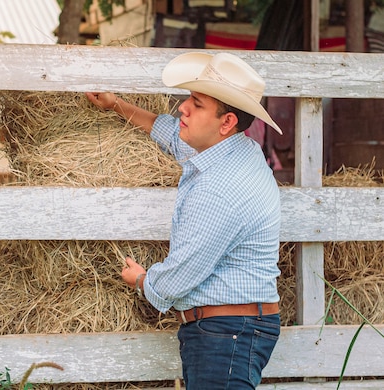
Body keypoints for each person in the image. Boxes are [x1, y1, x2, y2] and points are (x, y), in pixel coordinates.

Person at [86, 52, 283, 389]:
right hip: (234, 328)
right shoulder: (237, 150)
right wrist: (116, 105)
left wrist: (143, 280)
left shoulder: (220, 187)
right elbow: (172, 135)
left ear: (226, 123)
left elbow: (182, 274)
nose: (183, 108)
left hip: (227, 333)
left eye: (197, 103)